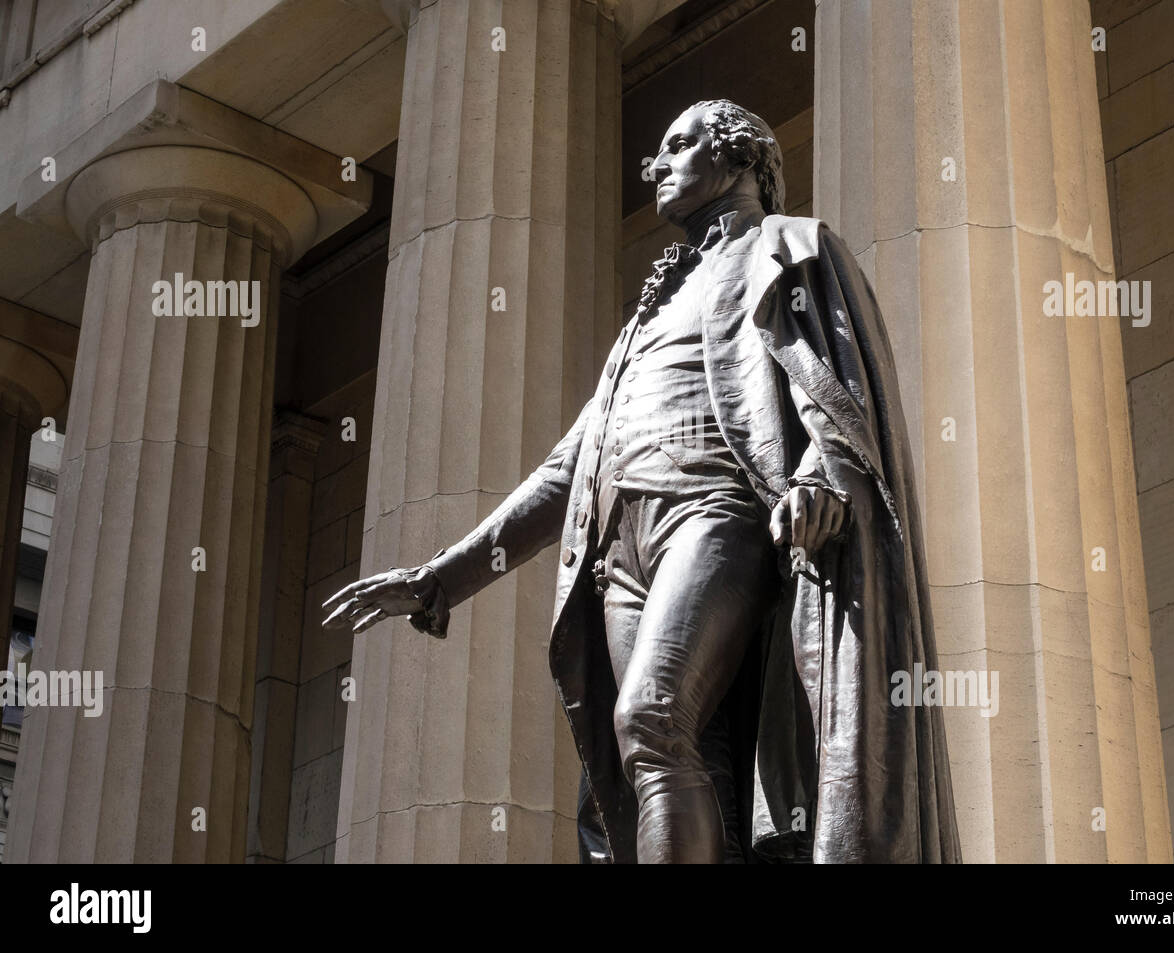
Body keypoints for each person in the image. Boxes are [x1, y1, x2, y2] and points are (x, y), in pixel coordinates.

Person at [324, 99, 961, 864]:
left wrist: (820, 472)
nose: (655, 166)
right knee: (659, 761)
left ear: (741, 160)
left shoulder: (789, 246)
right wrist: (440, 578)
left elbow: (833, 385)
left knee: (652, 717)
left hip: (717, 510)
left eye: (678, 145)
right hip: (619, 550)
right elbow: (570, 465)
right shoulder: (645, 318)